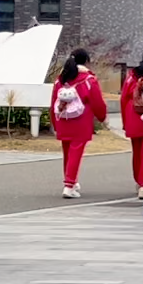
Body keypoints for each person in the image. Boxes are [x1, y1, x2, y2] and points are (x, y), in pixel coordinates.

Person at [51, 48, 108, 199]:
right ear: (86, 61)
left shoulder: (60, 79)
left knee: (67, 152)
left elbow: (53, 102)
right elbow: (97, 101)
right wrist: (102, 117)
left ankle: (71, 181)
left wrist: (55, 123)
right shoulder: (88, 80)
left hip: (63, 119)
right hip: (81, 121)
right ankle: (69, 185)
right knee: (76, 152)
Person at [121, 51, 143, 201]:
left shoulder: (131, 77)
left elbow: (123, 99)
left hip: (132, 115)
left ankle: (139, 181)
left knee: (137, 151)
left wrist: (124, 122)